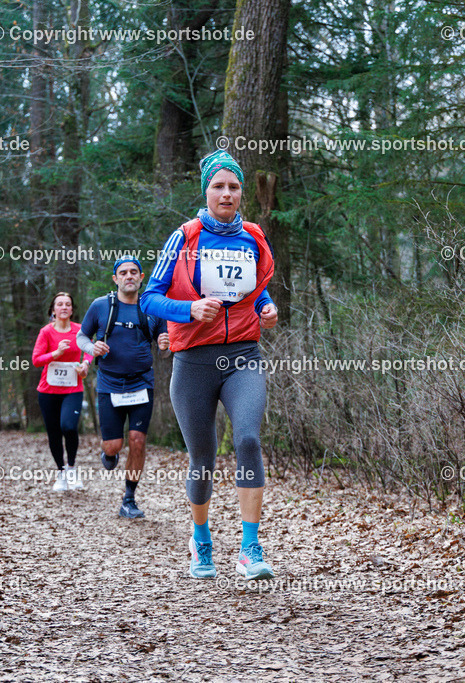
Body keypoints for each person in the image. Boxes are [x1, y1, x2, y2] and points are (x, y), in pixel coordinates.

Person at [142, 149, 279, 580]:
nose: (226, 194)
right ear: (206, 190)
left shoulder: (253, 237)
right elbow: (149, 297)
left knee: (249, 441)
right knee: (202, 457)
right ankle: (201, 541)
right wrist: (188, 310)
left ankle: (249, 547)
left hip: (243, 356)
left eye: (234, 187)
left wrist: (268, 308)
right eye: (218, 186)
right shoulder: (184, 237)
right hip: (194, 362)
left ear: (242, 193)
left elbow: (256, 292)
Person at [76, 256, 170, 518]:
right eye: (123, 273)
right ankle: (109, 454)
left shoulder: (153, 307)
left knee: (138, 441)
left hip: (142, 383)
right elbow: (81, 336)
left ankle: (129, 498)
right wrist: (91, 348)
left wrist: (165, 347)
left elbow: (164, 352)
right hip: (110, 384)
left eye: (134, 272)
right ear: (115, 279)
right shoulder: (100, 306)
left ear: (142, 278)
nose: (129, 276)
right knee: (113, 446)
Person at [32, 292, 93, 492]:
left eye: (68, 304)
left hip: (73, 388)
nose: (64, 307)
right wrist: (55, 354)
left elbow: (89, 350)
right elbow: (36, 359)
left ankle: (72, 468)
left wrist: (85, 364)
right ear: (53, 309)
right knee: (54, 433)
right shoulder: (46, 332)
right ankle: (60, 473)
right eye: (60, 304)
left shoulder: (79, 330)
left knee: (68, 426)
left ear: (72, 309)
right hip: (48, 390)